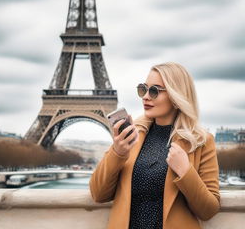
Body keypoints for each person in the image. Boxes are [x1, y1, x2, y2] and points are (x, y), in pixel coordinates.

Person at [89, 62, 220, 229]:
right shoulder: (132, 135)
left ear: (176, 96)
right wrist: (118, 152)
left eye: (154, 91)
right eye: (143, 89)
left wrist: (186, 172)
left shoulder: (201, 141)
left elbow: (208, 210)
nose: (145, 96)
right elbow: (98, 194)